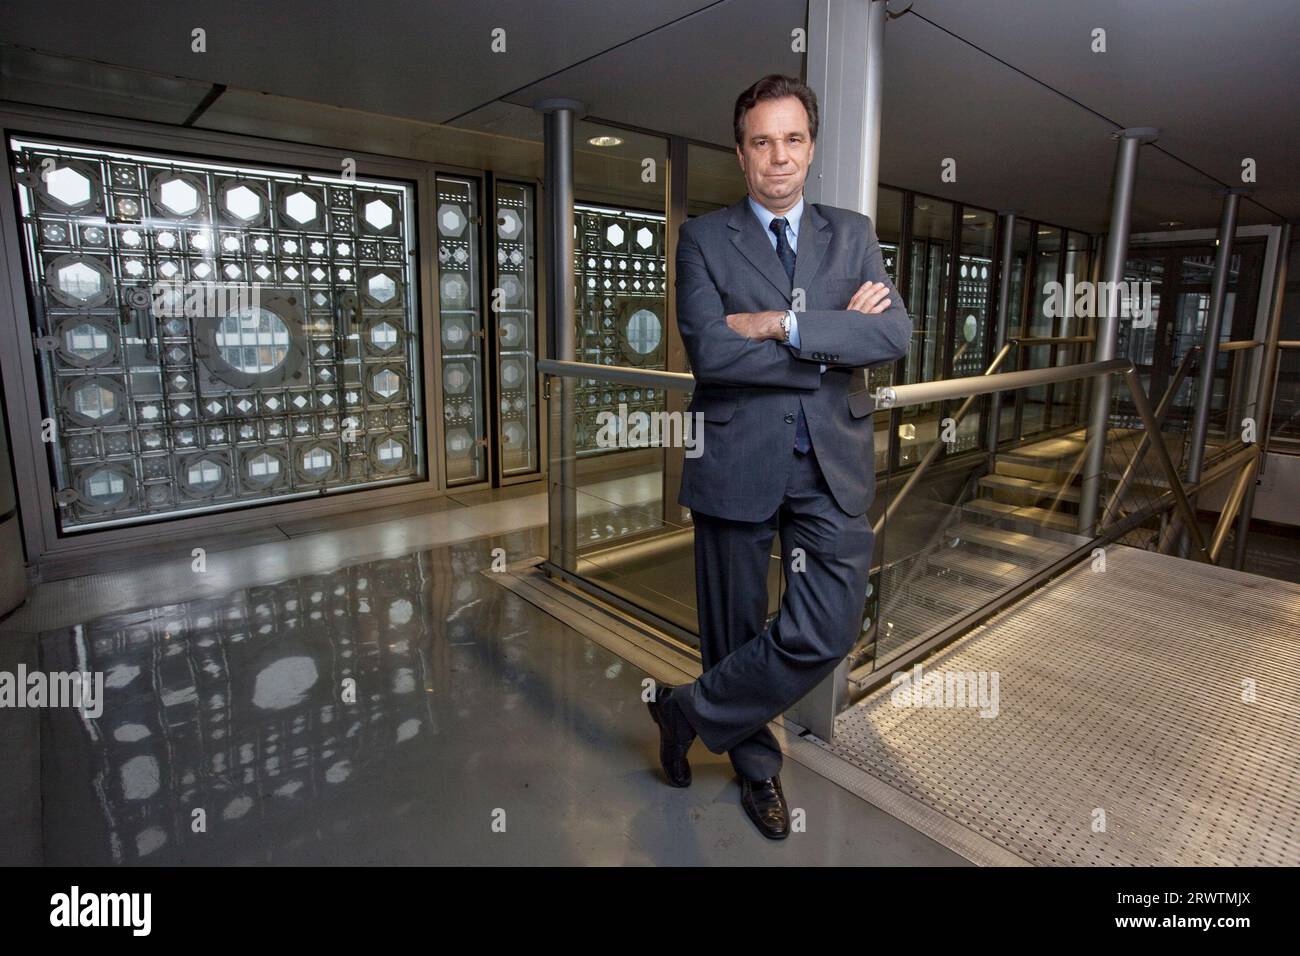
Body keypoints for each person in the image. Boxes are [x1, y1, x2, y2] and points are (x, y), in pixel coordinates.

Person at [646, 74, 912, 839]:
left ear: (812, 147)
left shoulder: (852, 234)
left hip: (832, 461)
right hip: (736, 455)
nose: (779, 157)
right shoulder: (703, 237)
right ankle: (759, 773)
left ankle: (687, 709)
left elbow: (892, 337)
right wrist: (833, 337)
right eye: (762, 142)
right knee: (733, 625)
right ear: (740, 153)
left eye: (793, 139)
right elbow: (712, 353)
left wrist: (781, 326)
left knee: (828, 627)